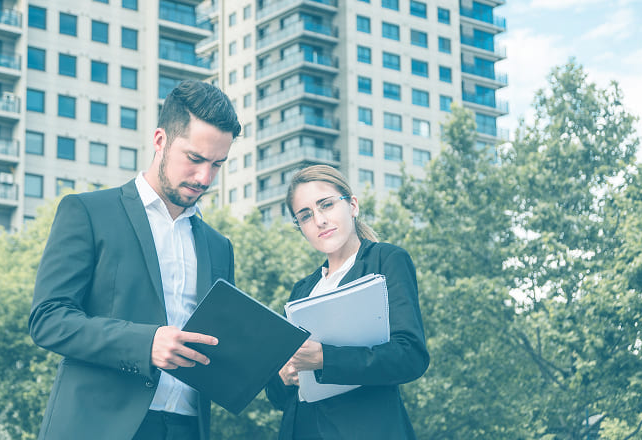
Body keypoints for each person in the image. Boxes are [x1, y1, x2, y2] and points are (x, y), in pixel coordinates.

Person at [29, 79, 241, 440]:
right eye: (194, 159)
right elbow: (48, 319)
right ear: (160, 141)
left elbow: (219, 346)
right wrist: (146, 343)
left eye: (217, 164)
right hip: (99, 428)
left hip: (188, 429)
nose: (205, 177)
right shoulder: (88, 212)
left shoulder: (219, 246)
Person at [266, 165, 430, 439]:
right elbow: (279, 398)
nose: (319, 220)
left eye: (326, 205)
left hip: (366, 429)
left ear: (352, 205)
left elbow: (410, 356)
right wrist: (284, 376)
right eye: (305, 215)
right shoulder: (301, 291)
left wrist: (324, 358)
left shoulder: (385, 260)